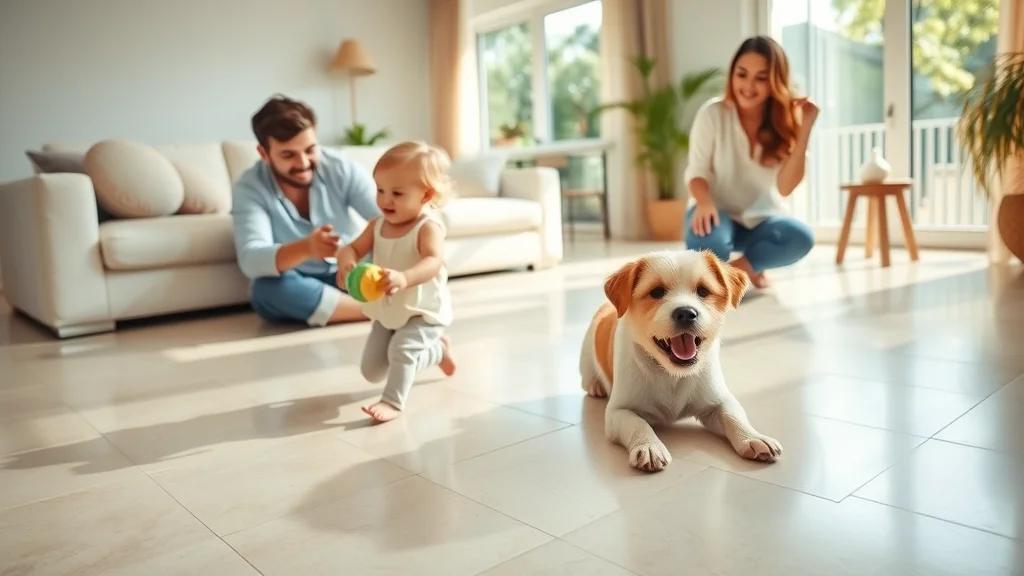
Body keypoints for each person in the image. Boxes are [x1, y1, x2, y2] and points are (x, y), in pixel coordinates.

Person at [231, 95, 380, 326]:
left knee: (388, 253)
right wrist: (307, 248)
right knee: (265, 289)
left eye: (310, 149)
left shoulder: (341, 168)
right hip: (298, 280)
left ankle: (347, 307)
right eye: (288, 155)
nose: (303, 163)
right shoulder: (249, 188)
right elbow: (251, 259)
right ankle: (375, 311)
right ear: (264, 153)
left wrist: (353, 254)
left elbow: (384, 218)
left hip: (350, 270)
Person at [684, 35, 819, 289]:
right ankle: (744, 274)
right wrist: (703, 202)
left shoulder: (784, 124)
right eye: (742, 74)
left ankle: (733, 276)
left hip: (762, 220)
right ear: (732, 74)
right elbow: (696, 171)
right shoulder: (712, 113)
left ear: (775, 82)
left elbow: (786, 188)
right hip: (715, 211)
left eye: (761, 77)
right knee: (709, 242)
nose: (748, 85)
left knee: (801, 237)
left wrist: (805, 129)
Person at [336, 141, 456, 423]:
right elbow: (350, 248)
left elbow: (433, 261)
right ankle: (439, 351)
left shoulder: (427, 227)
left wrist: (404, 277)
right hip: (389, 310)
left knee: (402, 351)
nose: (385, 200)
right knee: (372, 370)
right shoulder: (376, 225)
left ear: (425, 195)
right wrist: (347, 261)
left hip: (421, 311)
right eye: (380, 190)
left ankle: (392, 402)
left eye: (397, 193)